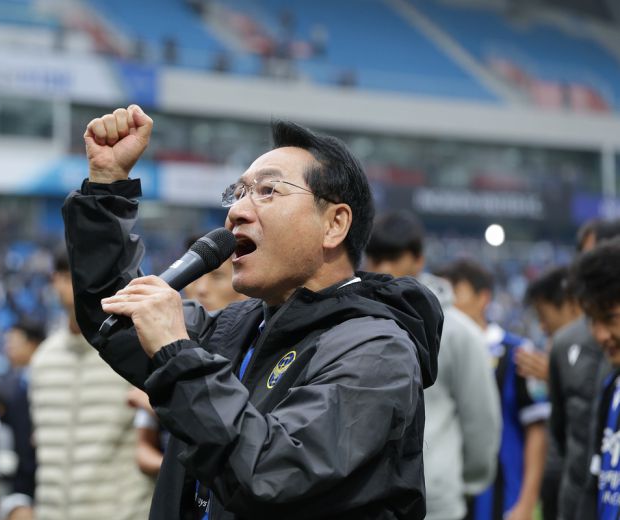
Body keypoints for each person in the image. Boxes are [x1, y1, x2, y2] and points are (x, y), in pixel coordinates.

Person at [63, 105, 443, 519]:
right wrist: (106, 186)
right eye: (239, 192)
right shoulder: (234, 327)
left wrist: (176, 353)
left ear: (334, 224)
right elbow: (113, 312)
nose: (237, 211)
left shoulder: (377, 351)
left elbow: (272, 473)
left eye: (267, 191)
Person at [364, 210, 501, 520]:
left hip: (434, 502)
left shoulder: (458, 330)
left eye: (394, 256)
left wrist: (455, 480)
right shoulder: (352, 319)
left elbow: (480, 419)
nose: (384, 268)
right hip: (361, 499)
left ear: (418, 259)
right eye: (376, 256)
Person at [28, 252, 152, 520]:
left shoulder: (135, 351)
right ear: (55, 281)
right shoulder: (42, 360)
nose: (79, 285)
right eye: (69, 276)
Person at [436, 259, 549, 520]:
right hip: (444, 495)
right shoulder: (433, 349)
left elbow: (536, 431)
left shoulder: (518, 353)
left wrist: (527, 502)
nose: (448, 302)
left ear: (483, 297)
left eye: (457, 291)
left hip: (500, 497)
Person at [130, 245, 247, 477]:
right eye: (195, 277)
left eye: (217, 277)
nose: (201, 289)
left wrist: (162, 402)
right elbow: (142, 448)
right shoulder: (162, 348)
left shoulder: (251, 350)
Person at [522, 266, 583, 520]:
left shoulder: (598, 350)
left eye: (544, 314)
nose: (542, 325)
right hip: (558, 479)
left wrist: (554, 377)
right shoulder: (557, 347)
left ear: (570, 305)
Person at [569, 238, 620, 519]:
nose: (599, 334)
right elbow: (594, 485)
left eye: (610, 318)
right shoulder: (612, 387)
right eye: (592, 320)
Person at [0, 321, 45, 520]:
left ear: (32, 344)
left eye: (14, 342)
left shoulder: (50, 380)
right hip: (22, 476)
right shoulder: (12, 384)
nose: (8, 348)